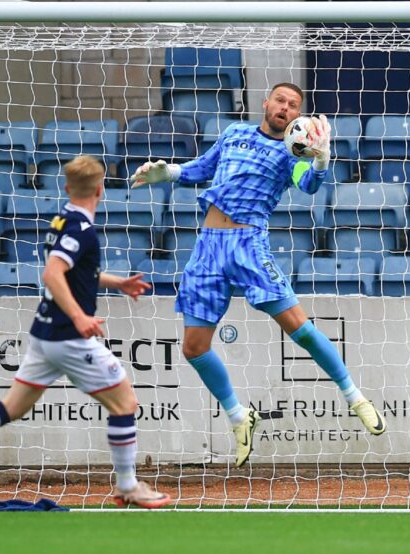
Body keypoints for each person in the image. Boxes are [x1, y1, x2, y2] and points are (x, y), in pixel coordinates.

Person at [131, 83, 386, 468]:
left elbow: (309, 185)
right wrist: (169, 172)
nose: (285, 108)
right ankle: (239, 417)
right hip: (208, 247)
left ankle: (355, 398)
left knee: (298, 327)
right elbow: (204, 167)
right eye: (280, 100)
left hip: (249, 245)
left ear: (298, 116)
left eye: (293, 106)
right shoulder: (234, 133)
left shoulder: (291, 150)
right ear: (266, 103)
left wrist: (321, 161)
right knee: (193, 347)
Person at [0, 155, 171, 509]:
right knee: (125, 402)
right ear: (101, 189)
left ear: (69, 188)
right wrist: (79, 317)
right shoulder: (81, 230)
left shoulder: (62, 220)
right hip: (67, 336)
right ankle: (127, 486)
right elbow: (53, 274)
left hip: (44, 334)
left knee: (11, 406)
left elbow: (70, 271)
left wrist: (116, 282)